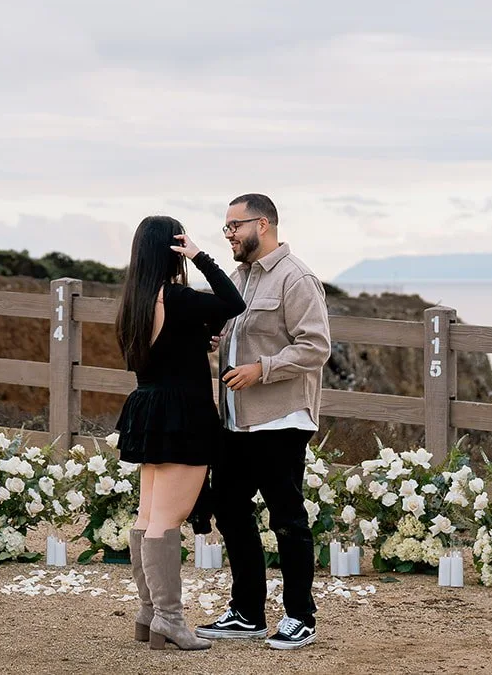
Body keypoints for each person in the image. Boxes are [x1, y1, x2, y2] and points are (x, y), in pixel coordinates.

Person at [198, 193, 331, 651]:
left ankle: (301, 617)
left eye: (234, 226)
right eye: (226, 227)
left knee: (288, 519)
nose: (229, 234)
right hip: (236, 420)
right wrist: (218, 340)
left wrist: (262, 369)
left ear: (264, 224)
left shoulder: (298, 278)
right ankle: (248, 612)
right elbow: (237, 338)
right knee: (231, 511)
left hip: (281, 418)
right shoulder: (239, 278)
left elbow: (315, 347)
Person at [114, 215, 245, 651]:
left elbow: (162, 351)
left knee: (148, 516)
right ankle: (169, 619)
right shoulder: (179, 297)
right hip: (183, 415)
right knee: (165, 522)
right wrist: (201, 256)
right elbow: (233, 301)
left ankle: (149, 615)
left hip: (148, 408)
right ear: (173, 248)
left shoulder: (133, 303)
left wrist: (197, 340)